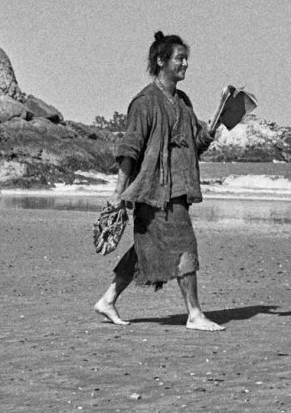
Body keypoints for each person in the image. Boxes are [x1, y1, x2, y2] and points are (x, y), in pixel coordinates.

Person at [94, 31, 224, 331]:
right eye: (180, 58)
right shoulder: (145, 102)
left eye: (186, 59)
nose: (186, 64)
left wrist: (211, 130)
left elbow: (193, 145)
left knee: (146, 248)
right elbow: (129, 150)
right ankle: (194, 314)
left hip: (178, 190)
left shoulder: (183, 101)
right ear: (161, 61)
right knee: (185, 245)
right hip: (152, 191)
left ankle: (108, 299)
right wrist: (118, 193)